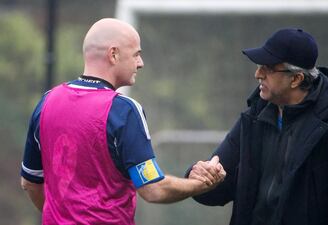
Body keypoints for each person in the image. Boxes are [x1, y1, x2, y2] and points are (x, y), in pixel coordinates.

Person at [20, 18, 225, 225]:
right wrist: (199, 185)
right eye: (136, 54)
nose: (140, 63)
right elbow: (153, 189)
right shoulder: (123, 110)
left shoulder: (47, 101)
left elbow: (30, 182)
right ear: (113, 54)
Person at [188, 28, 328, 225]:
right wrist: (198, 177)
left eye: (268, 68)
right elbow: (214, 193)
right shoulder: (253, 119)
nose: (257, 74)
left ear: (296, 79)